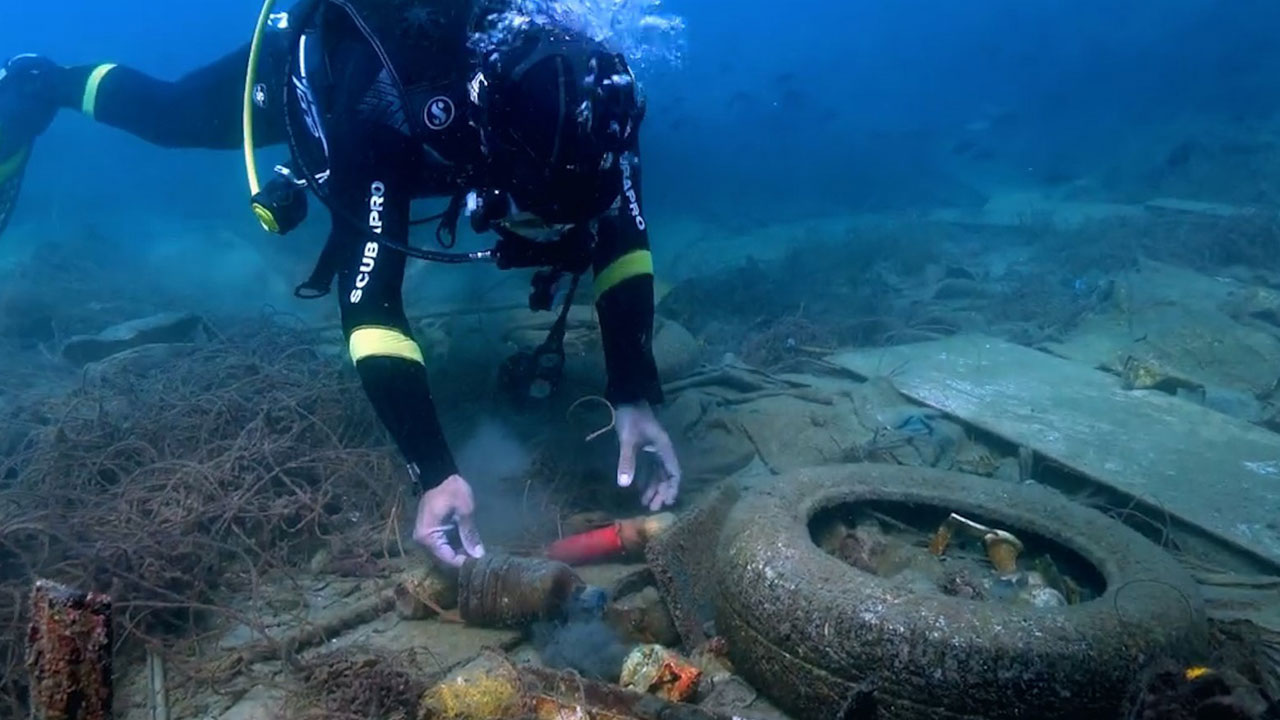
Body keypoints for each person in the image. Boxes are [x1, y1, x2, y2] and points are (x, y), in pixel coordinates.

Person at [0, 0, 682, 568]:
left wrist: (633, 389)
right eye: (533, 208)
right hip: (325, 76)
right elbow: (370, 302)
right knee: (174, 115)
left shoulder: (596, 107)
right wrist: (434, 471)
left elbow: (624, 239)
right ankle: (45, 82)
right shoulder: (384, 109)